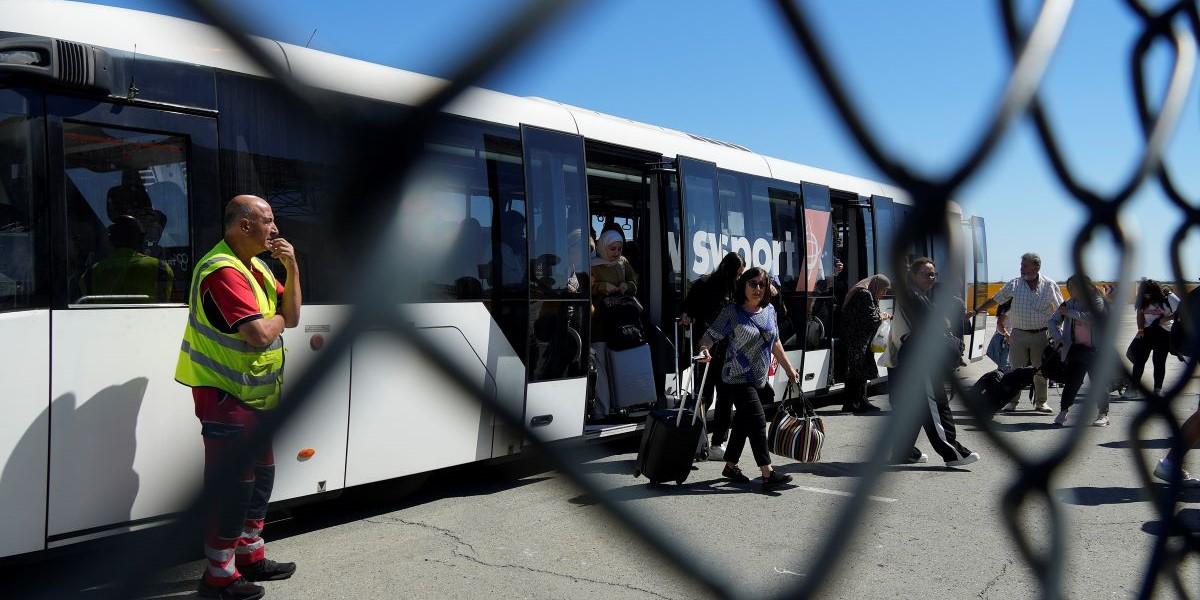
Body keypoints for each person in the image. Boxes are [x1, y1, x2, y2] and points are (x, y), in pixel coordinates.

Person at [175, 195, 302, 600]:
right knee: (234, 487)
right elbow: (260, 333)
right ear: (243, 225)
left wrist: (292, 266)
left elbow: (294, 316)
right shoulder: (221, 270)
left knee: (260, 479)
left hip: (258, 397)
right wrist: (279, 320)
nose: (275, 228)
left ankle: (250, 556)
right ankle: (218, 576)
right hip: (225, 397)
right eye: (267, 220)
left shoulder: (259, 268)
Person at [698, 267, 799, 489]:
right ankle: (767, 473)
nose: (757, 289)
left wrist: (789, 368)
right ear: (743, 285)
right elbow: (709, 335)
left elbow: (775, 342)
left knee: (744, 422)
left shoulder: (769, 311)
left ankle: (730, 465)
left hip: (758, 378)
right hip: (736, 377)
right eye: (752, 283)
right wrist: (705, 349)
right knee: (757, 419)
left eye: (762, 285)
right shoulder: (732, 312)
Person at [885, 257, 980, 467]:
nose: (931, 278)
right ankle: (953, 452)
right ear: (914, 275)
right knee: (936, 404)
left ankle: (904, 452)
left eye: (933, 274)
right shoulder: (913, 296)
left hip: (913, 357)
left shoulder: (916, 295)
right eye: (926, 274)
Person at [973, 253, 1063, 413]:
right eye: (1021, 265)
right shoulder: (1014, 284)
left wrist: (1058, 332)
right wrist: (976, 310)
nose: (1021, 269)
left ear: (1036, 267)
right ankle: (1012, 401)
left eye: (1025, 265)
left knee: (1041, 369)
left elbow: (1060, 308)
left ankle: (1041, 402)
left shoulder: (1049, 285)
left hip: (1041, 334)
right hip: (1019, 334)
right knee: (1015, 369)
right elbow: (996, 299)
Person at [680, 252, 744, 460]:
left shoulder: (704, 283)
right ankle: (715, 443)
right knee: (721, 397)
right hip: (719, 349)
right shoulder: (731, 289)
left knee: (704, 395)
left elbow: (688, 309)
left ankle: (697, 441)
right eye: (739, 273)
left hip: (708, 347)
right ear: (734, 271)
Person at [1048, 274, 1110, 427]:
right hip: (1076, 350)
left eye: (1073, 287)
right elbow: (1052, 321)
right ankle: (1063, 412)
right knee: (1072, 382)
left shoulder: (1096, 300)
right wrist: (1059, 337)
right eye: (1068, 288)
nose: (1070, 291)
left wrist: (1068, 313)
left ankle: (1103, 414)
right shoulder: (1069, 303)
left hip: (1095, 350)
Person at [80, 215, 174, 303]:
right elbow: (165, 300)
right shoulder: (161, 269)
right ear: (141, 239)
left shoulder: (91, 274)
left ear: (111, 240)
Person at [840, 274, 891, 413]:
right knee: (858, 369)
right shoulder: (864, 294)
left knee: (859, 369)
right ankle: (856, 402)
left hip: (861, 338)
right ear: (877, 286)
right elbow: (872, 318)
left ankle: (858, 401)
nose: (884, 293)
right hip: (857, 338)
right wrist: (883, 316)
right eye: (883, 289)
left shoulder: (867, 293)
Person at [1127, 279, 1180, 398]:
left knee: (1159, 362)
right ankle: (1133, 389)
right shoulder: (1143, 300)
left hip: (1163, 333)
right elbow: (1140, 315)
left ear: (1155, 291)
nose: (1145, 295)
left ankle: (1157, 390)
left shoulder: (1168, 297)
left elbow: (1180, 311)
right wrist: (1140, 330)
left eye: (1147, 293)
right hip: (1147, 332)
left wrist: (1163, 320)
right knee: (1139, 361)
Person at [591, 229, 637, 299]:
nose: (617, 253)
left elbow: (634, 282)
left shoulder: (623, 261)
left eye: (619, 249)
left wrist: (627, 286)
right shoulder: (592, 265)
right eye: (613, 249)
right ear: (602, 248)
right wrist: (602, 287)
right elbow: (586, 289)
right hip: (600, 308)